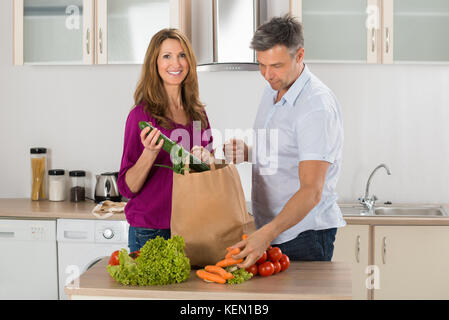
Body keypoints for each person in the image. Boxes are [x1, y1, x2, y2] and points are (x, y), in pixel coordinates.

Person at [224, 15, 345, 268]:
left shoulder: (315, 107)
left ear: (299, 56)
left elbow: (311, 191)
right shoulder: (273, 89)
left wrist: (265, 234)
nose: (267, 75)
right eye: (261, 65)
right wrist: (248, 153)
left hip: (303, 236)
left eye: (276, 65)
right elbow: (286, 150)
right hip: (272, 230)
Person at [118, 28, 214, 253]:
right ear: (155, 63)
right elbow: (127, 187)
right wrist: (149, 153)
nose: (176, 63)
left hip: (193, 227)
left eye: (182, 55)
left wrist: (208, 159)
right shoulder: (141, 116)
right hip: (151, 230)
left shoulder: (198, 114)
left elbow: (209, 174)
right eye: (167, 56)